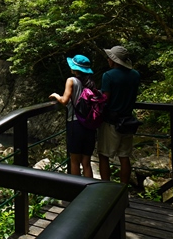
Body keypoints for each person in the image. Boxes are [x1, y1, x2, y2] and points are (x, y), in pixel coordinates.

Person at [98, 45, 141, 185]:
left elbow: (105, 98)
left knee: (104, 155)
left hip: (111, 122)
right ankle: (123, 190)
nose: (107, 59)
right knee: (124, 157)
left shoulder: (108, 76)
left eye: (109, 57)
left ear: (113, 59)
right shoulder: (135, 75)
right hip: (128, 121)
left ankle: (105, 189)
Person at [49, 54, 97, 178]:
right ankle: (90, 190)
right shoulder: (91, 82)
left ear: (74, 68)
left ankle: (76, 191)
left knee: (74, 161)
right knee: (86, 162)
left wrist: (55, 95)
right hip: (90, 125)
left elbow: (64, 100)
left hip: (75, 124)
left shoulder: (71, 80)